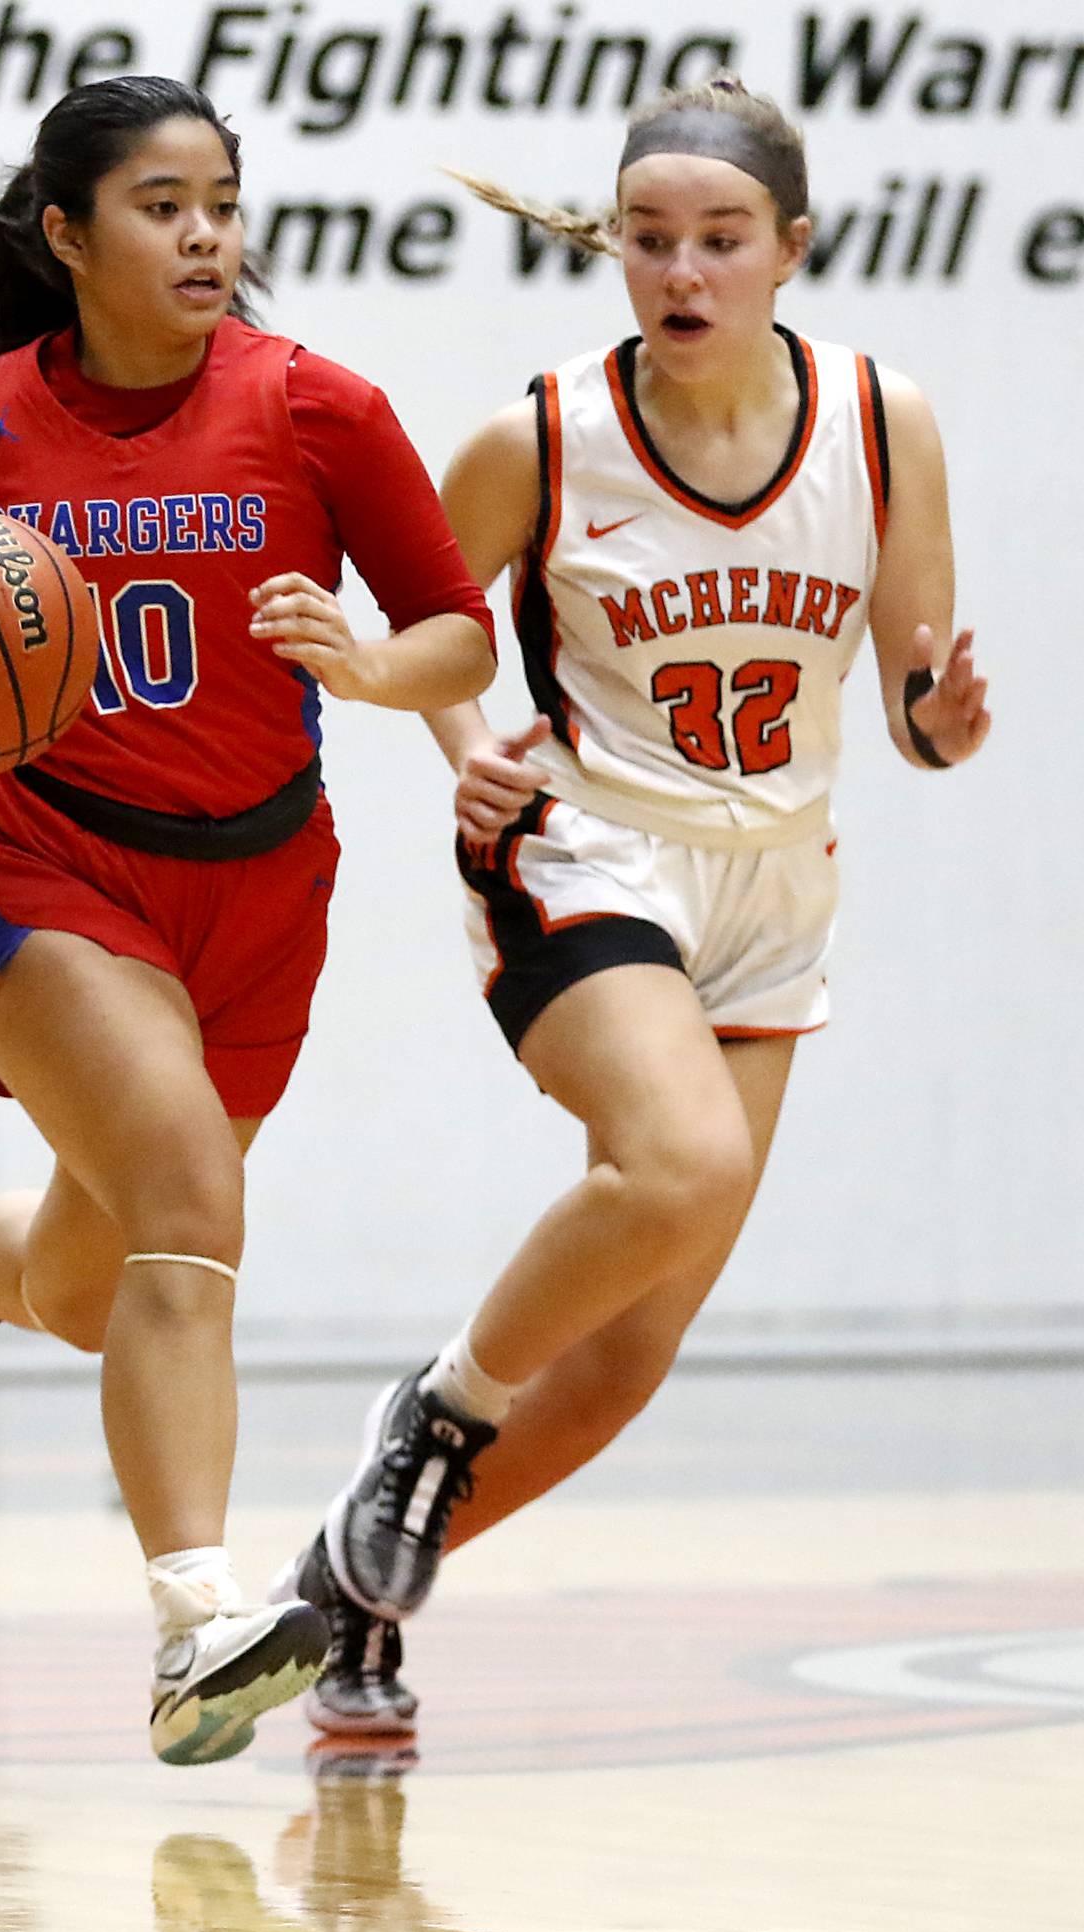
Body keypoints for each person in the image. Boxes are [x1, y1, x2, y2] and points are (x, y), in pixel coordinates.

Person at [0, 74, 495, 1767]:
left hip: (259, 884)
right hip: (39, 859)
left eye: (221, 206)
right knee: (192, 1190)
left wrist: (369, 660)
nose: (204, 237)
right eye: (162, 206)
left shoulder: (319, 408)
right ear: (68, 233)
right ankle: (198, 1623)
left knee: (101, 1276)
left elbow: (460, 637)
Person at [281, 75, 991, 1730]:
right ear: (617, 248)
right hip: (582, 845)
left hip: (775, 884)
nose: (682, 274)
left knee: (618, 1362)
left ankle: (346, 1587)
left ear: (790, 249)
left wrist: (937, 725)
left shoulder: (884, 425)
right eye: (650, 241)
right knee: (679, 1159)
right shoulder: (544, 433)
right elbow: (431, 626)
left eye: (720, 243)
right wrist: (462, 740)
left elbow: (908, 687)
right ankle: (441, 1414)